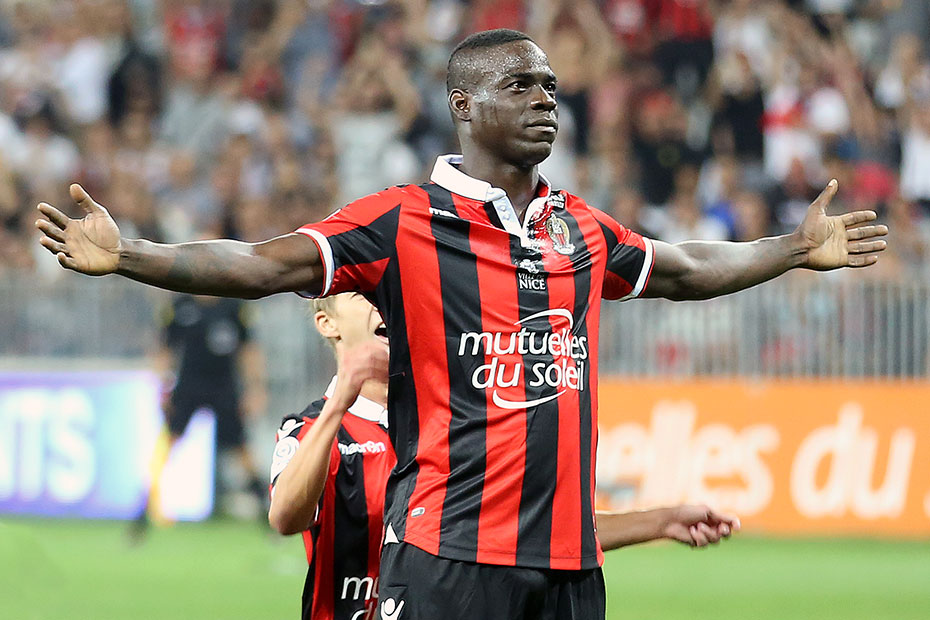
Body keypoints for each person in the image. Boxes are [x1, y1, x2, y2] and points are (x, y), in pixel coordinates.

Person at [36, 28, 886, 620]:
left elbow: (690, 269)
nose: (545, 99)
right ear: (464, 105)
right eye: (521, 85)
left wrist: (790, 247)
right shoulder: (402, 221)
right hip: (448, 560)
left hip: (570, 571)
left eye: (551, 86)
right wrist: (133, 253)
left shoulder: (580, 228)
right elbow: (262, 263)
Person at [270, 292, 739, 620]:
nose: (381, 302)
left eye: (384, 292)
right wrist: (341, 401)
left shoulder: (454, 421)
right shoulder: (312, 429)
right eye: (361, 295)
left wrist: (661, 521)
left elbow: (531, 533)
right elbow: (286, 517)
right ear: (327, 323)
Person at [130, 293, 269, 539]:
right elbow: (165, 349)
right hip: (188, 387)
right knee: (168, 444)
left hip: (224, 388)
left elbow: (248, 350)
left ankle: (265, 512)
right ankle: (143, 510)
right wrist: (163, 387)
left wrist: (255, 387)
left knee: (240, 449)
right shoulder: (180, 307)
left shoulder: (233, 307)